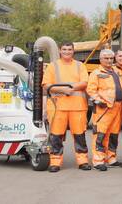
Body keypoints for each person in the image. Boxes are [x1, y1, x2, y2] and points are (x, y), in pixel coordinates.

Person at [43, 42, 91, 172]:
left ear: (73, 51)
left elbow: (85, 82)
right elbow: (46, 85)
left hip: (78, 107)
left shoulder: (80, 65)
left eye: (69, 49)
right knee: (56, 136)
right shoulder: (53, 66)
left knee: (80, 135)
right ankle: (55, 162)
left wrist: (71, 88)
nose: (67, 52)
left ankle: (83, 161)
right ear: (60, 51)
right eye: (64, 49)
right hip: (58, 106)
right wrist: (64, 90)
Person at [87, 49, 122, 171]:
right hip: (104, 108)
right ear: (100, 59)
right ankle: (98, 160)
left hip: (117, 106)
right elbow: (91, 90)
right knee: (100, 135)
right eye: (106, 58)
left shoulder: (115, 72)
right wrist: (99, 102)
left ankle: (111, 158)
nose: (109, 60)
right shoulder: (96, 73)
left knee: (113, 135)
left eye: (111, 58)